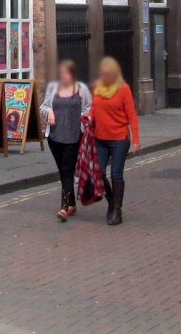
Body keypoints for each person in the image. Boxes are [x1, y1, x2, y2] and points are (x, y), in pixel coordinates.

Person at [39, 60, 92, 222]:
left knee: (67, 169)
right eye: (61, 73)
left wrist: (83, 122)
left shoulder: (81, 89)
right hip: (55, 137)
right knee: (63, 170)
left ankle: (64, 207)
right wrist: (48, 112)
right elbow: (43, 106)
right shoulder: (53, 88)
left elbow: (89, 108)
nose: (63, 76)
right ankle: (71, 203)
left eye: (66, 73)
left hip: (73, 137)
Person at [90, 57, 139, 226]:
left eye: (108, 73)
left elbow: (132, 115)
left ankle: (117, 211)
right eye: (103, 73)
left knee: (116, 174)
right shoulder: (97, 87)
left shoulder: (124, 89)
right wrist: (88, 118)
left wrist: (136, 140)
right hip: (100, 138)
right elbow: (94, 109)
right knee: (100, 174)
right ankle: (112, 202)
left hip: (119, 138)